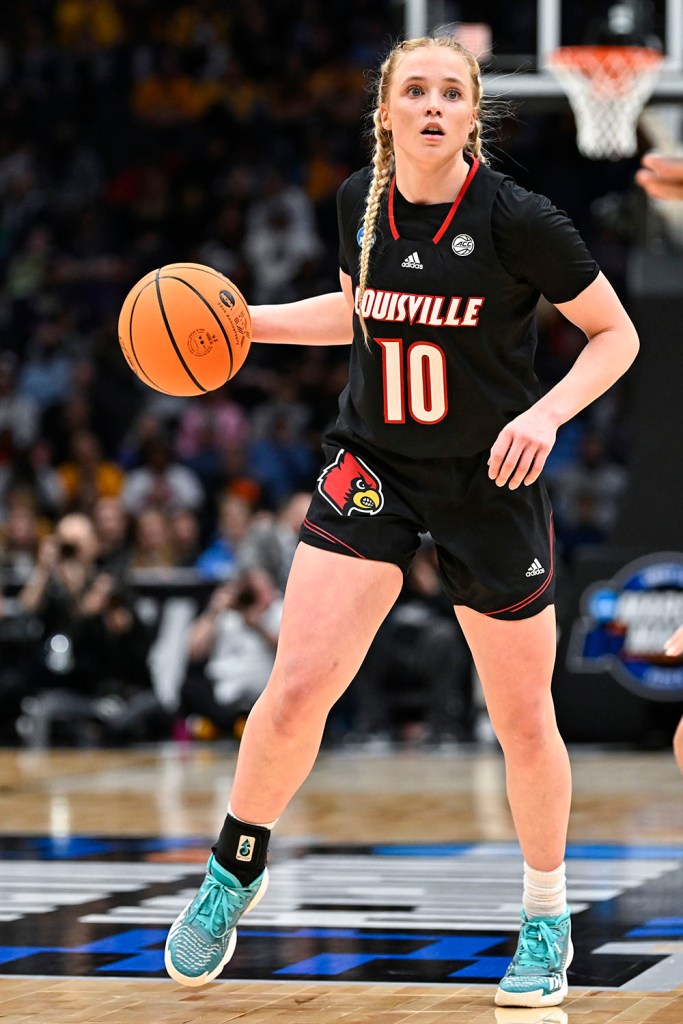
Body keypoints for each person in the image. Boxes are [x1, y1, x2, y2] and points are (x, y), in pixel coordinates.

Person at [164, 35, 640, 1009]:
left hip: (487, 479)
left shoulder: (519, 219)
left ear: (474, 116)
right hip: (373, 465)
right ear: (385, 111)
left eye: (449, 92)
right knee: (296, 687)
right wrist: (244, 320)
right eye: (412, 90)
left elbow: (614, 335)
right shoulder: (358, 206)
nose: (431, 105)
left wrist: (545, 412)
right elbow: (357, 315)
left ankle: (545, 917)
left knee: (520, 717)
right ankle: (230, 869)